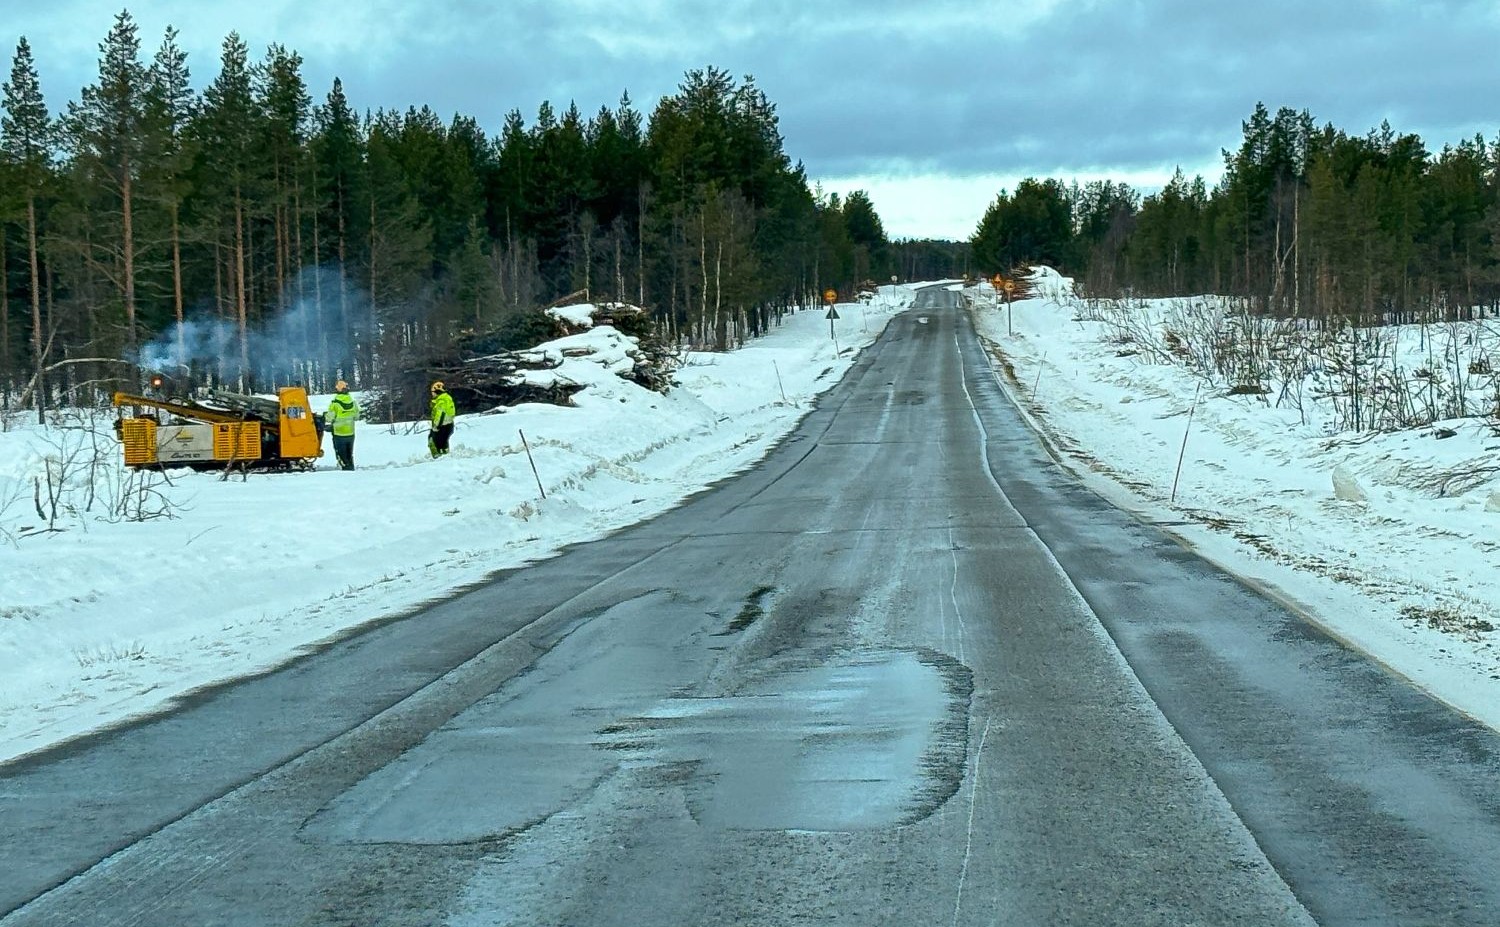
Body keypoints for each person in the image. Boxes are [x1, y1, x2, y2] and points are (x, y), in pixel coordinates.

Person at [326, 380, 360, 470]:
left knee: (341, 454)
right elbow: (357, 417)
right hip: (350, 433)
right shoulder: (353, 402)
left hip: (339, 433)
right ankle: (350, 467)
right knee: (349, 454)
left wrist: (326, 417)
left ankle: (344, 469)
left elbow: (329, 418)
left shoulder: (335, 403)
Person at [428, 380, 456, 457]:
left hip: (441, 426)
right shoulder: (447, 398)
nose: (432, 394)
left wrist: (436, 426)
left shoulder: (441, 400)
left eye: (432, 392)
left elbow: (441, 414)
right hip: (449, 425)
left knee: (432, 441)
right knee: (443, 443)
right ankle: (445, 455)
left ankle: (437, 458)